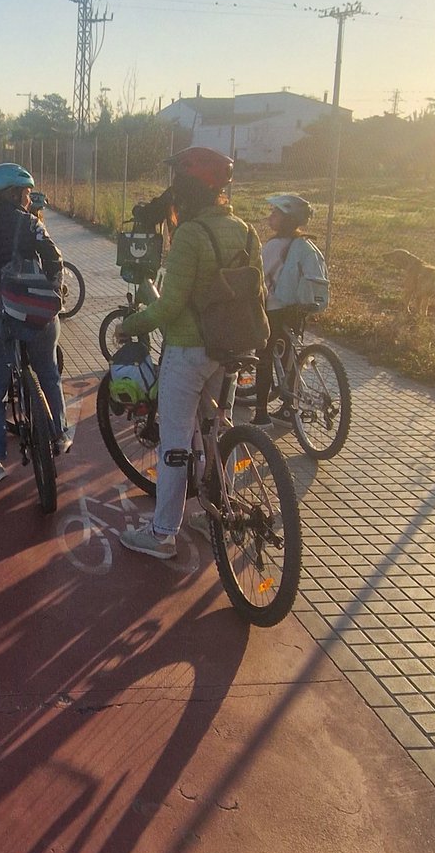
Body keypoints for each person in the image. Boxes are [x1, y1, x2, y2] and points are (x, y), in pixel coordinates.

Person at [116, 147, 264, 559]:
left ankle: (162, 532)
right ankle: (219, 510)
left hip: (189, 351)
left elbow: (170, 307)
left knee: (175, 441)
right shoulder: (248, 231)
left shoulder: (191, 235)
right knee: (220, 431)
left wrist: (131, 325)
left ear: (187, 191)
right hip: (232, 346)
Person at [0, 163, 70, 494]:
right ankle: (59, 433)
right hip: (35, 317)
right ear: (11, 194)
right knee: (48, 371)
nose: (28, 199)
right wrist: (53, 292)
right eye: (24, 193)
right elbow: (55, 260)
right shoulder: (30, 223)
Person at [253, 193, 328, 426]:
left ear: (286, 219)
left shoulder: (273, 246)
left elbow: (258, 276)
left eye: (274, 213)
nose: (270, 217)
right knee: (290, 357)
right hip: (297, 308)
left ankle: (261, 413)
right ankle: (288, 408)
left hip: (275, 309)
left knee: (263, 358)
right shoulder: (306, 244)